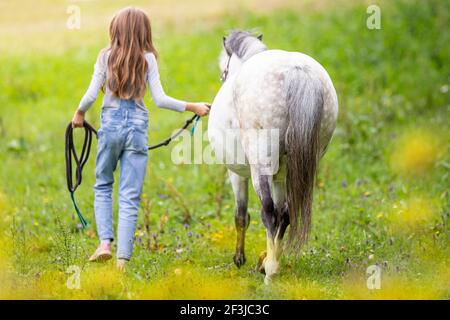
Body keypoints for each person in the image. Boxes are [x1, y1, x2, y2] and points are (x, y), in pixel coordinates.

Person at [71, 7, 210, 270]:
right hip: (137, 130)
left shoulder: (105, 56)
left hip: (110, 127)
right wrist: (193, 106)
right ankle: (122, 260)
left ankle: (104, 244)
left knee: (103, 184)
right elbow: (160, 99)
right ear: (144, 32)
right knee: (129, 195)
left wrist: (79, 114)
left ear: (116, 30)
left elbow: (91, 95)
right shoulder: (148, 59)